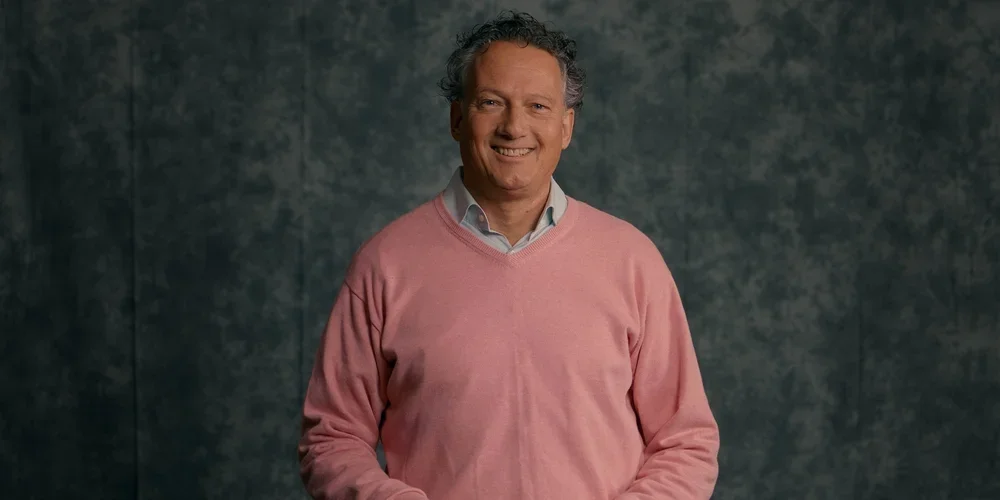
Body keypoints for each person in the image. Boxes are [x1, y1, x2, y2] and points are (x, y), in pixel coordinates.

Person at [298, 10, 720, 500]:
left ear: (566, 127)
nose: (514, 126)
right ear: (457, 118)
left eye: (538, 106)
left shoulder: (632, 261)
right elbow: (332, 439)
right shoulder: (384, 265)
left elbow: (686, 441)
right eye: (491, 102)